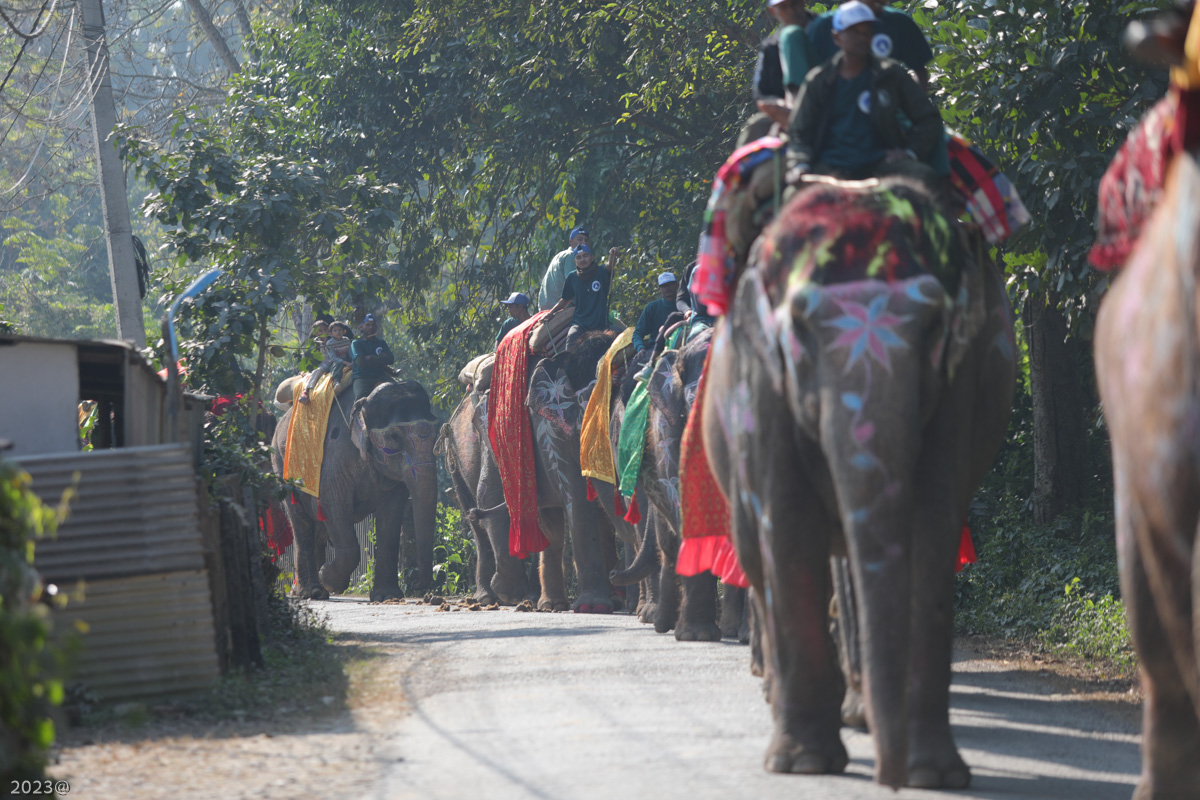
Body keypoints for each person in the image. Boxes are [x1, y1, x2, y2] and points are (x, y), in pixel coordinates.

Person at [787, 1, 941, 187]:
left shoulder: (891, 74)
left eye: (866, 32)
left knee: (924, 177)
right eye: (854, 32)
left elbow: (928, 118)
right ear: (837, 38)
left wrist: (910, 152)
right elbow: (799, 132)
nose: (861, 37)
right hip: (831, 168)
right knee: (793, 197)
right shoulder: (819, 81)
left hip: (882, 164)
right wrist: (800, 164)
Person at [806, 0, 934, 89]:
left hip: (888, 110)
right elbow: (809, 75)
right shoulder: (824, 25)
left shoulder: (899, 22)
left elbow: (920, 70)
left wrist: (911, 106)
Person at [740, 0, 812, 146]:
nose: (791, 11)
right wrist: (780, 107)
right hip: (787, 114)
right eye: (784, 7)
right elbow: (762, 94)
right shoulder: (771, 47)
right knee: (755, 127)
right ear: (773, 11)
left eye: (794, 4)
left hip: (827, 103)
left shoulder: (825, 29)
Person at [547, 244, 620, 349]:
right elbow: (565, 300)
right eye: (578, 257)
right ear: (575, 262)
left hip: (601, 325)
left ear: (592, 257)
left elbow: (610, 265)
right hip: (580, 324)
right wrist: (550, 313)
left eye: (585, 256)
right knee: (570, 344)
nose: (582, 260)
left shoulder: (601, 271)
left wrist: (612, 255)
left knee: (626, 338)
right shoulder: (572, 277)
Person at [299, 321, 352, 404]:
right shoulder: (315, 344)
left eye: (325, 330)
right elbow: (312, 360)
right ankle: (306, 391)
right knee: (317, 371)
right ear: (316, 333)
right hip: (325, 364)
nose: (323, 332)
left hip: (335, 362)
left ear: (328, 331)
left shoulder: (334, 340)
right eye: (320, 330)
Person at [537, 227, 589, 312]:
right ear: (571, 242)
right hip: (561, 308)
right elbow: (573, 288)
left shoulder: (560, 255)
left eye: (586, 240)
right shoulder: (571, 256)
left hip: (546, 306)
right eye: (580, 239)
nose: (583, 243)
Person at [349, 314, 395, 402]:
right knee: (360, 401)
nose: (371, 327)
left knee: (399, 393)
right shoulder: (356, 343)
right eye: (368, 325)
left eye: (373, 325)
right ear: (361, 327)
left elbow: (390, 359)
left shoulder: (381, 342)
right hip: (362, 378)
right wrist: (380, 359)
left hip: (381, 376)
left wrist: (369, 358)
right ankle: (354, 415)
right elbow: (360, 362)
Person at [632, 272, 679, 353]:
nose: (668, 288)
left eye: (670, 284)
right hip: (656, 349)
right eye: (664, 286)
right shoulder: (652, 307)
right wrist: (641, 348)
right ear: (659, 289)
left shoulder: (686, 305)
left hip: (681, 346)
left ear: (677, 285)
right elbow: (638, 333)